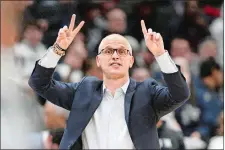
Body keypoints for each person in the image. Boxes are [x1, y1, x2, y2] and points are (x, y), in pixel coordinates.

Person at [29, 14, 190, 149]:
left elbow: (180, 94)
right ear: (98, 61)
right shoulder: (83, 90)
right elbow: (39, 83)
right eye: (108, 51)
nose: (115, 56)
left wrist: (160, 54)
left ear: (131, 61)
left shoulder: (147, 92)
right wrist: (58, 49)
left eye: (121, 51)